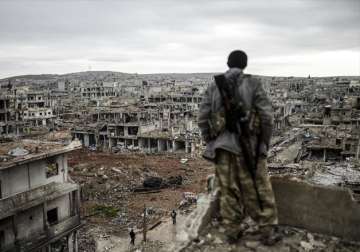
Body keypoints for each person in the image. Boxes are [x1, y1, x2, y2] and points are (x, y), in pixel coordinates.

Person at [198, 50, 281, 245]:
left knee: (228, 190)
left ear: (228, 63)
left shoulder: (213, 86)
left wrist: (210, 140)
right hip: (249, 148)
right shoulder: (253, 84)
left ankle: (232, 231)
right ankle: (267, 232)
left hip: (223, 149)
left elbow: (202, 118)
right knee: (258, 188)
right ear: (245, 65)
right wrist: (263, 145)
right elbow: (267, 118)